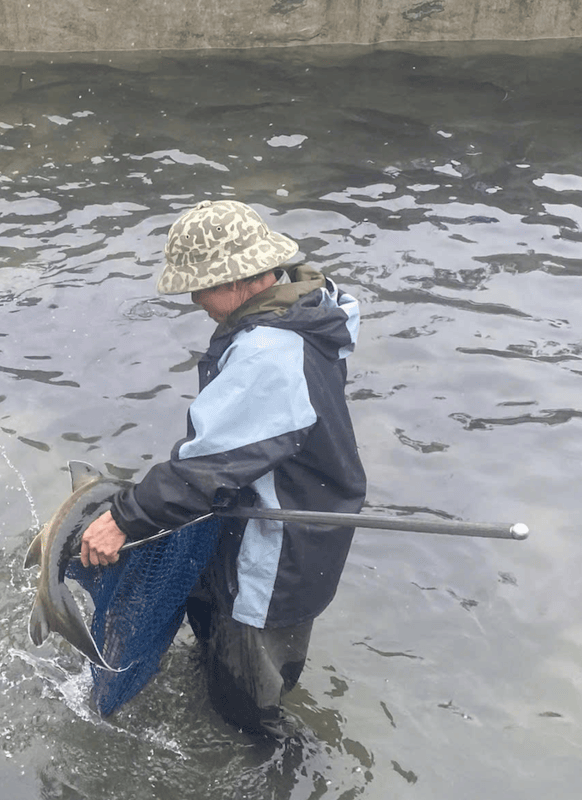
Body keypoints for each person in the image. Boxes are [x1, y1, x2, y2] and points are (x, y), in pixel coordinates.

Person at [79, 199, 366, 738]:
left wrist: (125, 518)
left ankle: (289, 768)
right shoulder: (309, 307)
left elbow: (206, 468)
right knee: (217, 662)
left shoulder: (271, 354)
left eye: (200, 286)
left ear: (241, 281)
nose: (195, 299)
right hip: (280, 520)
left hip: (277, 551)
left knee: (246, 712)